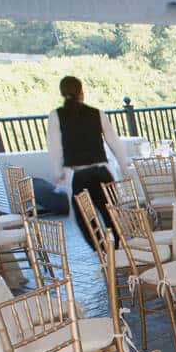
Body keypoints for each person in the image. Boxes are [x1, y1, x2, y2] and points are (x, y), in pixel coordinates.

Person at [46, 76, 129, 249]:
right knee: (111, 215)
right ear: (81, 92)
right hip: (101, 173)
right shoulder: (97, 113)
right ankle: (115, 249)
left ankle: (101, 249)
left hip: (79, 175)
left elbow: (55, 148)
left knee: (84, 219)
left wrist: (58, 172)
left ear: (62, 93)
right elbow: (114, 142)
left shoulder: (56, 116)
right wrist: (124, 167)